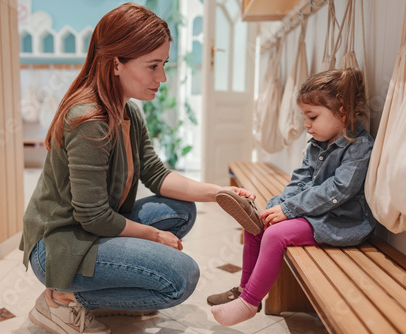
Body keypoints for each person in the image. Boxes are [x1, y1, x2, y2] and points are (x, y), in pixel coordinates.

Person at [19, 3, 254, 334]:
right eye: (153, 66)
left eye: (164, 65)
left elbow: (157, 176)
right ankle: (61, 299)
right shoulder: (89, 121)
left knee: (181, 211)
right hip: (61, 246)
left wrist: (220, 193)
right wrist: (153, 234)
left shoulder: (129, 113)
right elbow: (93, 216)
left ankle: (99, 296)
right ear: (117, 64)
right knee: (180, 277)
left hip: (91, 232)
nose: (162, 77)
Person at [208, 68, 376, 326]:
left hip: (340, 222)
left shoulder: (358, 145)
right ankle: (243, 288)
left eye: (312, 116)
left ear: (342, 111)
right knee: (259, 223)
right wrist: (284, 206)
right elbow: (300, 179)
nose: (306, 125)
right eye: (304, 117)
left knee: (276, 235)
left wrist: (290, 210)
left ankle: (249, 303)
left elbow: (339, 190)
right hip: (313, 212)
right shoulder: (317, 143)